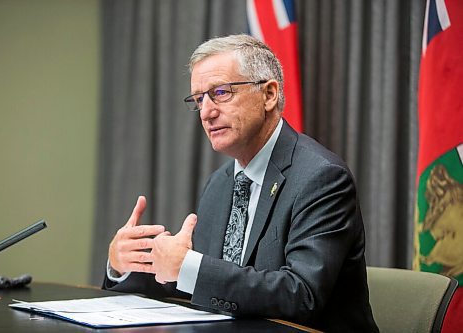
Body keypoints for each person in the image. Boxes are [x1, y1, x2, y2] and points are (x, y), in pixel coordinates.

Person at [103, 34, 379, 332]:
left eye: (220, 92)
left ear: (269, 94)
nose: (206, 112)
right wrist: (126, 265)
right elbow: (207, 284)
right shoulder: (219, 184)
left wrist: (188, 266)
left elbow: (302, 296)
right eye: (199, 99)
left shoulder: (321, 178)